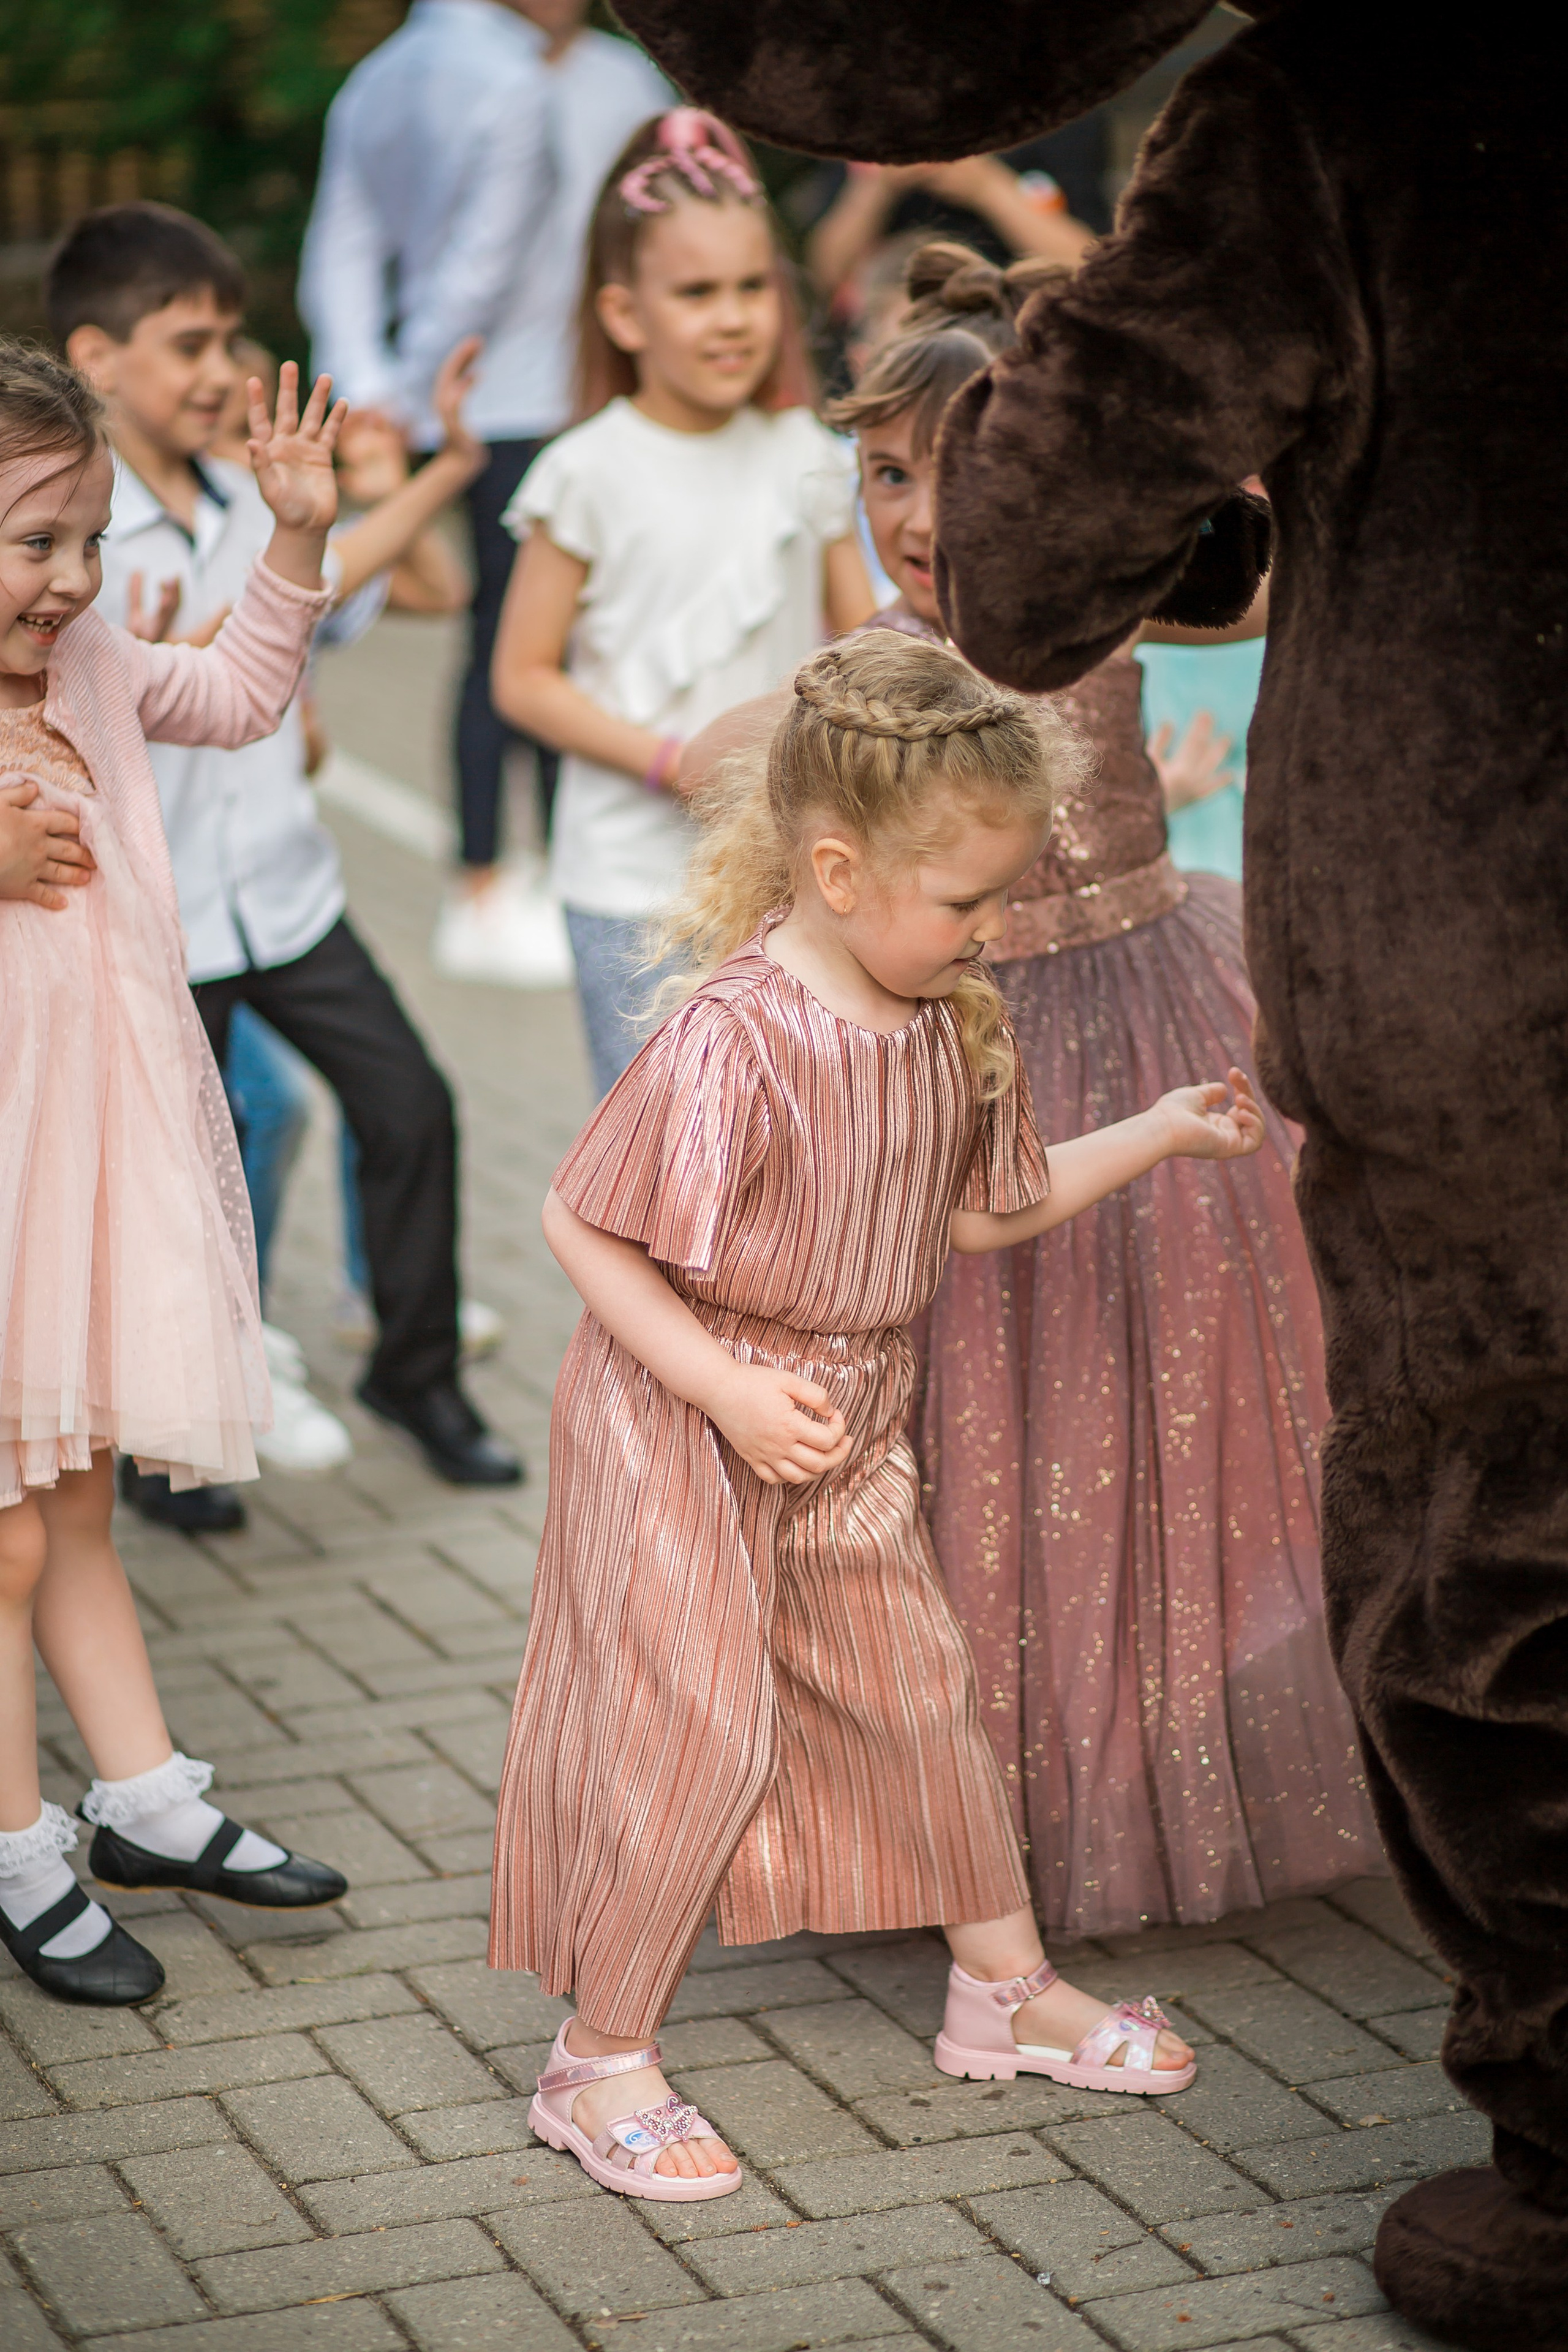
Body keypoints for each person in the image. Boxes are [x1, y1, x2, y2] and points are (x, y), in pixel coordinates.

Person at [489, 628, 1278, 2197]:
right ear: (838, 871)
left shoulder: (941, 1026)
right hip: (685, 1415)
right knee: (695, 1730)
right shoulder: (736, 1036)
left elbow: (986, 1214)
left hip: (848, 1419)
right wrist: (719, 1386)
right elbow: (584, 1224)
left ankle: (1003, 1994)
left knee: (920, 1697)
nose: (994, 931)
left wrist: (1156, 1130)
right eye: (969, 900)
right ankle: (598, 2064)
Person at [837, 247, 1373, 1938]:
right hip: (985, 1061)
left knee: (1197, 1410)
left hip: (1160, 1016)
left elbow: (1294, 562)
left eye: (969, 466)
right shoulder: (881, 670)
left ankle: (1186, 1755)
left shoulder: (1110, 596)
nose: (923, 513)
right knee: (1002, 1438)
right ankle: (990, 1808)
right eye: (888, 471)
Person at [49, 202, 521, 1499]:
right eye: (188, 343)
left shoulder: (251, 501)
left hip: (292, 898)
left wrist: (427, 475)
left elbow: (352, 592)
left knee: (411, 1108)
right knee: (186, 1181)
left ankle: (415, 1374)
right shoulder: (66, 552)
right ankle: (166, 1448)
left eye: (227, 341)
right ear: (97, 358)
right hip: (165, 920)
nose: (219, 370)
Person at [0, 342, 350, 2004]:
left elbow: (235, 697)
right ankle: (14, 1848)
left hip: (86, 1150)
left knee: (73, 1505)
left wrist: (291, 544)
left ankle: (141, 1798)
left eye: (86, 538)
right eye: (32, 544)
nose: (72, 582)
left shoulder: (87, 669)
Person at [490, 108, 875, 1099]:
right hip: (630, 885)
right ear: (626, 315)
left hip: (786, 877)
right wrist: (670, 762)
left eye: (753, 287)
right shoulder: (585, 470)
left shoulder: (804, 453)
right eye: (697, 292)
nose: (735, 316)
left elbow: (863, 642)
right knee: (663, 1169)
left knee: (786, 1155)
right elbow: (523, 680)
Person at [300, 1, 668, 988]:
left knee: (568, 634)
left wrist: (377, 383)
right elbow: (469, 264)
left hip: (589, 394)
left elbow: (345, 250)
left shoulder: (622, 80)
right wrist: (399, 391)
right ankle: (488, 879)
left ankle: (551, 867)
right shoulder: (475, 76)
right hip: (513, 405)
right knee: (519, 641)